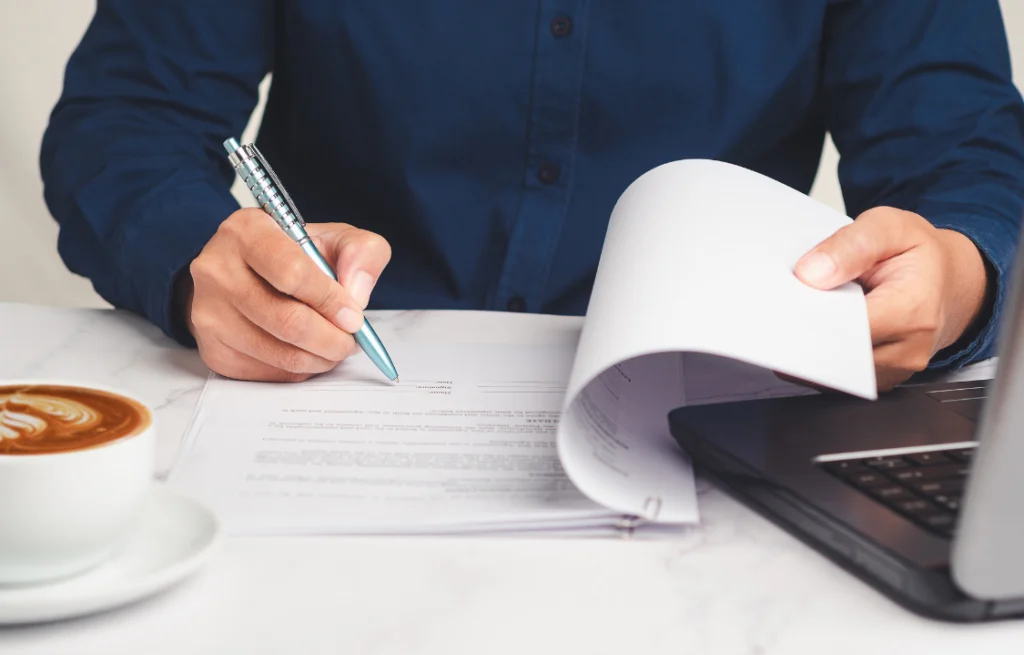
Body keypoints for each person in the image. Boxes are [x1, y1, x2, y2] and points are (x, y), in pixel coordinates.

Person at [41, 1, 1024, 391]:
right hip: (333, 389)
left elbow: (964, 157)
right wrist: (196, 255)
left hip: (709, 418)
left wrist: (959, 271)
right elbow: (122, 122)